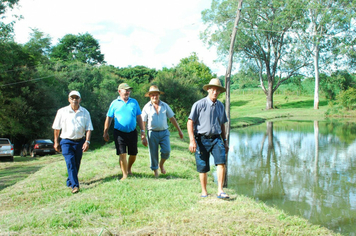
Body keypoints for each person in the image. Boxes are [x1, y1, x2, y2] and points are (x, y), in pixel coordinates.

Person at [187, 78, 230, 199]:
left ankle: (220, 190)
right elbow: (190, 122)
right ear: (208, 90)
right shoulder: (199, 104)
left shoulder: (220, 106)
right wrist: (192, 140)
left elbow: (222, 124)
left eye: (217, 90)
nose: (215, 92)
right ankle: (204, 191)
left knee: (221, 162)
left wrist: (225, 141)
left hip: (216, 138)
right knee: (203, 166)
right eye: (213, 89)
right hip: (201, 139)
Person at [103, 83, 148, 180]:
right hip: (119, 132)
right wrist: (105, 131)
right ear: (119, 91)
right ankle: (125, 175)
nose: (127, 92)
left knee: (133, 154)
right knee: (122, 153)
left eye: (129, 90)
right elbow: (109, 117)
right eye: (125, 90)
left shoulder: (134, 102)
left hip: (132, 132)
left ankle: (129, 168)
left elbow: (139, 117)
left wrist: (143, 131)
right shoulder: (114, 103)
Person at [52, 91, 93, 194]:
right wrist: (56, 142)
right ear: (69, 99)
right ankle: (75, 186)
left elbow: (89, 128)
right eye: (72, 98)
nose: (74, 99)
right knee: (70, 162)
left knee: (76, 163)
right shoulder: (62, 111)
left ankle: (70, 181)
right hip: (66, 141)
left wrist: (87, 141)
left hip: (80, 141)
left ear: (80, 99)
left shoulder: (85, 112)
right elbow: (56, 128)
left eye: (76, 98)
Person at [141, 85, 184, 178]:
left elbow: (172, 118)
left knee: (167, 150)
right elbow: (143, 121)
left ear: (159, 95)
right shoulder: (146, 107)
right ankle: (155, 171)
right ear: (149, 96)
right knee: (153, 153)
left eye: (156, 94)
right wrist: (143, 135)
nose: (154, 97)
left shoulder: (164, 105)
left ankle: (161, 164)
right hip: (152, 133)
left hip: (164, 132)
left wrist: (179, 131)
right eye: (152, 95)